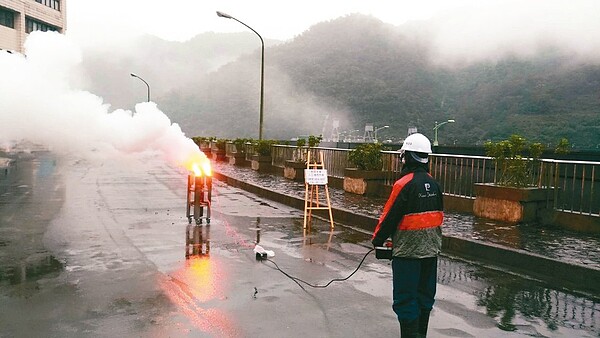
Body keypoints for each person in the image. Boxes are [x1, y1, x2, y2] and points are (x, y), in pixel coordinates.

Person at [371, 133, 443, 338]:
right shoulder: (434, 184)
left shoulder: (404, 184)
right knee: (425, 298)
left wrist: (377, 240)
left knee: (405, 300)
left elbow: (389, 217)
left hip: (408, 254)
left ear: (407, 156)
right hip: (431, 252)